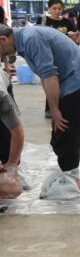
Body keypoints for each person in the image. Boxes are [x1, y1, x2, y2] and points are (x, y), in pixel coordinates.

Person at [0, 24, 80, 199]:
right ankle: (68, 175)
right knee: (60, 137)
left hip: (79, 85)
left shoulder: (31, 38)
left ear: (3, 39)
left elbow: (50, 75)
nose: (1, 55)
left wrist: (55, 110)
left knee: (66, 134)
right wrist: (53, 107)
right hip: (77, 85)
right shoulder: (25, 42)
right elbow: (44, 76)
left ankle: (71, 182)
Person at [0, 70, 25, 198]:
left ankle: (10, 171)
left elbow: (17, 132)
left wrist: (12, 165)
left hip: (3, 82)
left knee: (10, 188)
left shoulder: (2, 99)